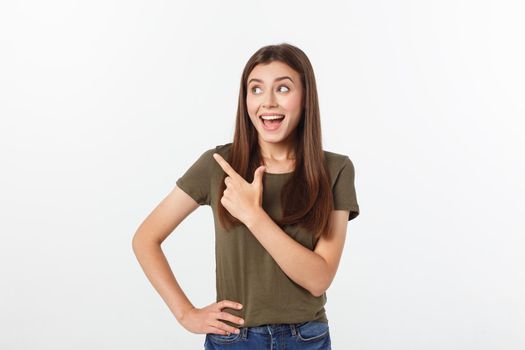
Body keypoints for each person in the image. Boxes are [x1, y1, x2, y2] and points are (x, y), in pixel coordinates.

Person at [132, 42, 360, 350]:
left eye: (282, 89)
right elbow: (145, 238)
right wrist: (186, 314)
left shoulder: (335, 169)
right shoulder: (217, 166)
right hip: (234, 339)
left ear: (306, 97)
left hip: (306, 338)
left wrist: (253, 215)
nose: (267, 102)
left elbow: (318, 278)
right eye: (256, 89)